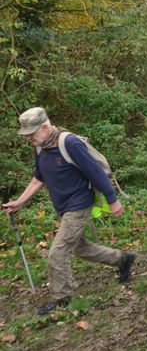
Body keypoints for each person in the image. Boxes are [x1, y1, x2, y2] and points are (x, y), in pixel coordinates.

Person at [1, 108, 135, 315]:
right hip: (63, 207)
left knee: (58, 251)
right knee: (80, 248)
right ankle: (122, 259)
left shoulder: (70, 143)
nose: (28, 139)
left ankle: (62, 298)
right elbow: (39, 178)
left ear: (45, 127)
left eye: (31, 134)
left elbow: (96, 172)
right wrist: (20, 201)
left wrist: (113, 199)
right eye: (26, 135)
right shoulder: (41, 147)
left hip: (79, 204)